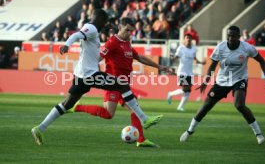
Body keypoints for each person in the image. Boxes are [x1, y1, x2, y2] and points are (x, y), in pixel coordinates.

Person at [31, 9, 163, 146]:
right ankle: (145, 119)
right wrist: (66, 45)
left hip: (80, 75)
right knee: (122, 85)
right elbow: (76, 35)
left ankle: (40, 128)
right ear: (100, 20)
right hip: (90, 74)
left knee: (67, 103)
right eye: (104, 22)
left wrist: (107, 26)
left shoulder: (92, 29)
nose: (105, 25)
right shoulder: (92, 28)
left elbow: (88, 33)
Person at [69, 17, 172, 148]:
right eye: (127, 30)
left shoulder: (127, 43)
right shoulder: (112, 42)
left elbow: (139, 57)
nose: (130, 33)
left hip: (124, 86)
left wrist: (159, 67)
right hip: (113, 83)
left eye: (131, 31)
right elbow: (97, 58)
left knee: (135, 109)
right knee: (108, 114)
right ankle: (78, 107)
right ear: (120, 28)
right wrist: (94, 74)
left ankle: (141, 139)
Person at [179, 26, 265, 145]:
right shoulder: (221, 47)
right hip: (222, 80)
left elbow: (261, 60)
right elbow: (212, 65)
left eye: (233, 36)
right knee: (206, 105)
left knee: (239, 104)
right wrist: (206, 81)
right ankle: (189, 131)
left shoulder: (246, 48)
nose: (230, 38)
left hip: (239, 79)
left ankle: (258, 133)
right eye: (229, 35)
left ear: (238, 37)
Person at [167, 34, 205, 111]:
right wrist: (172, 59)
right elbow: (176, 57)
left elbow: (194, 58)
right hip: (182, 72)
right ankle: (170, 94)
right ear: (184, 40)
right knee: (185, 89)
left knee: (188, 91)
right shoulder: (181, 48)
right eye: (187, 38)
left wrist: (201, 62)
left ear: (191, 40)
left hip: (190, 72)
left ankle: (180, 106)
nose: (188, 39)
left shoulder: (194, 49)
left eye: (190, 38)